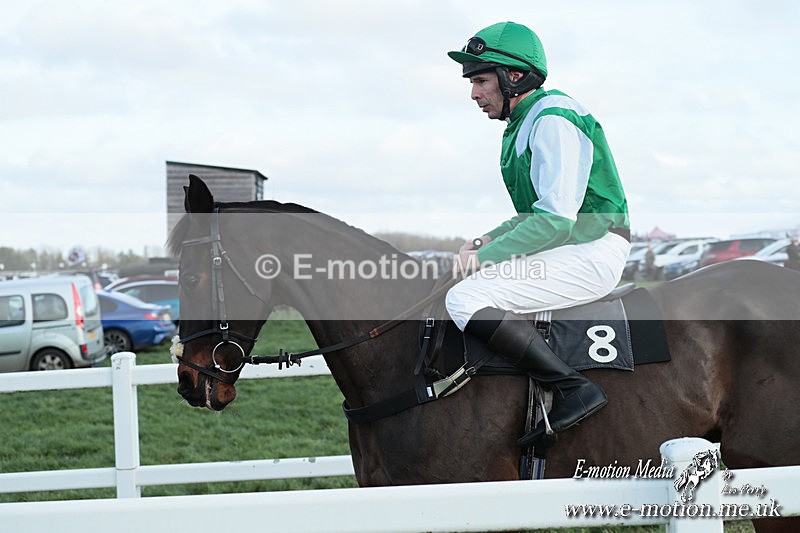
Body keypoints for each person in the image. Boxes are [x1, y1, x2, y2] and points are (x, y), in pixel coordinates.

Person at [445, 21, 631, 447]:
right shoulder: (525, 121)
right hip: (576, 244)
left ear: (514, 76)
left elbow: (556, 222)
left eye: (480, 80)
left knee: (465, 297)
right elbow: (533, 215)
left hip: (591, 250)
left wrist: (485, 258)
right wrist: (484, 241)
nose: (474, 93)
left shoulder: (552, 119)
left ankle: (573, 388)